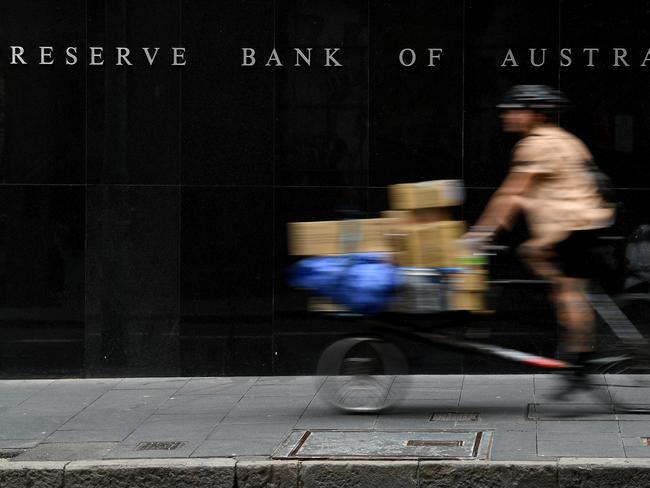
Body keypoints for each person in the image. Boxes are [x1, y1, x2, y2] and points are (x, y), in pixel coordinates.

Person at [465, 85, 615, 395]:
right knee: (544, 265)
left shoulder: (535, 145)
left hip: (573, 227)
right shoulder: (566, 139)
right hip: (585, 222)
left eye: (513, 109)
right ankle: (579, 344)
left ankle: (580, 365)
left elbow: (511, 193)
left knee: (568, 290)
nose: (506, 114)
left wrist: (478, 236)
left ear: (532, 113)